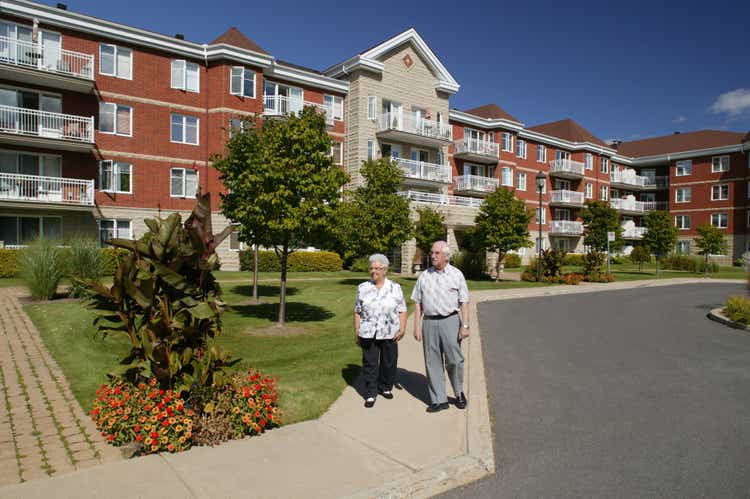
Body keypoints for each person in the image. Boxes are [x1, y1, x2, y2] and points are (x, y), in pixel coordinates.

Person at [411, 241, 470, 413]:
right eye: (432, 253)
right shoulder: (424, 276)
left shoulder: (456, 275)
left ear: (446, 256)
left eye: (437, 253)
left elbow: (464, 302)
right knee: (432, 361)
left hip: (450, 320)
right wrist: (416, 326)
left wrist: (465, 325)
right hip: (429, 322)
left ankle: (458, 393)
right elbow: (417, 303)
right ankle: (438, 399)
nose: (433, 256)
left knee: (455, 360)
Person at [354, 254, 408, 408]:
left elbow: (402, 310)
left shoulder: (395, 288)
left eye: (377, 268)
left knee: (389, 362)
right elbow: (358, 311)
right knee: (369, 363)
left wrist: (402, 328)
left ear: (385, 270)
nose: (373, 271)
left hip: (389, 331)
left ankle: (385, 387)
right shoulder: (363, 288)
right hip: (368, 332)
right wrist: (357, 330)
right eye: (371, 268)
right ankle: (370, 393)